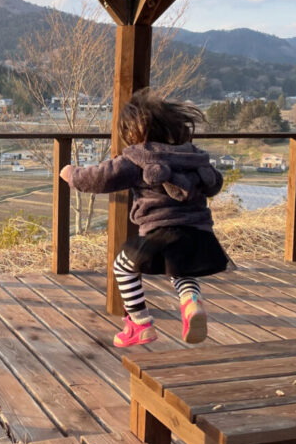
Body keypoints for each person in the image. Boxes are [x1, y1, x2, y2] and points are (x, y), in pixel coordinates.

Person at [60, 88, 230, 347]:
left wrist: (71, 174)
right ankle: (191, 302)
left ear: (133, 131)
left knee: (122, 267)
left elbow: (101, 177)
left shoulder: (139, 157)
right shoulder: (193, 155)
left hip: (161, 232)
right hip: (200, 233)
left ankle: (139, 323)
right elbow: (215, 182)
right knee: (181, 269)